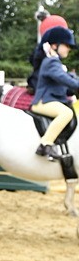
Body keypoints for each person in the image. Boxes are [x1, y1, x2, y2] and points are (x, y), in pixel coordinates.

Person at [32, 25, 79, 160]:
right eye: (66, 45)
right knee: (66, 113)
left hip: (52, 100)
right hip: (44, 102)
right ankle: (45, 144)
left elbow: (67, 85)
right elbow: (65, 79)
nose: (69, 49)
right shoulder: (51, 62)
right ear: (54, 45)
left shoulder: (56, 63)